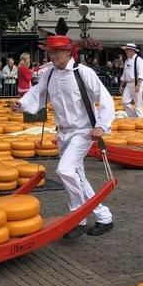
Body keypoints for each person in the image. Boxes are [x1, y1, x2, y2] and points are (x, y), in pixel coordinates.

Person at [12, 35, 114, 240]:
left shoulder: (83, 73)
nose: (53, 55)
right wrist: (21, 105)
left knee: (65, 170)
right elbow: (36, 95)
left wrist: (101, 126)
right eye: (51, 52)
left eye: (58, 51)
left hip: (83, 131)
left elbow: (106, 99)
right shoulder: (49, 74)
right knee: (77, 176)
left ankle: (78, 218)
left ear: (69, 52)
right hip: (63, 132)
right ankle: (104, 217)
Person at [120, 43, 143, 118]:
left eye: (127, 50)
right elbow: (124, 74)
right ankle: (133, 116)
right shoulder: (127, 61)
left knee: (138, 103)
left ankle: (139, 117)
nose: (126, 52)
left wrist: (138, 85)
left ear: (132, 51)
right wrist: (121, 85)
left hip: (136, 83)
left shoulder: (139, 60)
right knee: (124, 101)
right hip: (128, 84)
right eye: (126, 50)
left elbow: (142, 73)